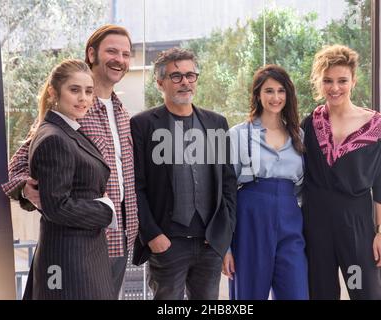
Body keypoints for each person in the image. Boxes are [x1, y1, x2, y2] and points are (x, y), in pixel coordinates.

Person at [1, 25, 138, 299]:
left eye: (126, 53)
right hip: (79, 242)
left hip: (121, 237)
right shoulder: (72, 112)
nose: (119, 59)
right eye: (112, 51)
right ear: (92, 54)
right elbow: (18, 165)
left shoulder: (122, 112)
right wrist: (26, 190)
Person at [130, 47, 237, 300]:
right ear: (160, 83)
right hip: (167, 243)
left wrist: (223, 232)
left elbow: (228, 183)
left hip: (209, 243)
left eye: (191, 75)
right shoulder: (142, 124)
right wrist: (152, 235)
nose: (185, 82)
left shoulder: (216, 123)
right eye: (176, 76)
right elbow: (135, 186)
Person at [302, 44, 381, 300]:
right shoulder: (309, 124)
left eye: (342, 80)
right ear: (319, 82)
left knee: (364, 291)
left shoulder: (374, 126)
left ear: (353, 81)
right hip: (316, 225)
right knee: (320, 293)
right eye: (328, 81)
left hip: (356, 225)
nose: (335, 87)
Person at [24, 59, 115, 299]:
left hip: (82, 254)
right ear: (54, 92)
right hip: (70, 260)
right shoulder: (54, 137)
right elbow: (57, 208)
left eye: (88, 91)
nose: (83, 98)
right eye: (74, 90)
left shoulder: (68, 130)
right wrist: (106, 210)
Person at [222, 65, 308, 300]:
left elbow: (303, 188)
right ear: (258, 94)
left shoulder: (299, 136)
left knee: (297, 293)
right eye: (269, 91)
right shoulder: (238, 135)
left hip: (290, 217)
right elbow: (225, 193)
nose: (276, 97)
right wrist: (226, 249)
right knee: (248, 295)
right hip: (250, 218)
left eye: (281, 91)